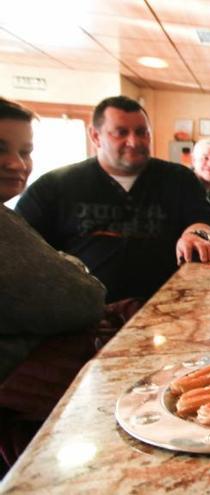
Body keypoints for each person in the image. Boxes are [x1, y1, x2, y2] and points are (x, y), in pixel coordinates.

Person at [15, 96, 210, 303]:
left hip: (166, 306)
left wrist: (196, 235)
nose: (134, 141)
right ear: (95, 136)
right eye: (121, 133)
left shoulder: (179, 178)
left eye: (142, 132)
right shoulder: (54, 186)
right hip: (86, 314)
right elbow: (20, 245)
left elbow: (203, 220)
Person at [0, 97, 105, 474]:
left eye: (25, 151)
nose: (17, 163)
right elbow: (81, 297)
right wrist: (71, 266)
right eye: (2, 149)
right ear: (96, 137)